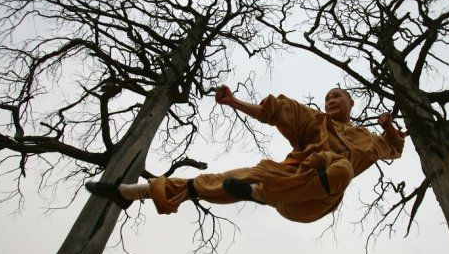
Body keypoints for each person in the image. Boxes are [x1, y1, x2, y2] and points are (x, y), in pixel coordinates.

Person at [86, 85, 406, 223]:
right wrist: (234, 102)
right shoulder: (316, 124)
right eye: (327, 97)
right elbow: (278, 111)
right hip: (285, 188)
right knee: (223, 180)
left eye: (337, 96)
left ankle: (259, 192)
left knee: (340, 168)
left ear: (352, 104)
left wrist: (389, 126)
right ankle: (133, 192)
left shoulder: (368, 140)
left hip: (316, 201)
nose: (330, 100)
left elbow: (395, 148)